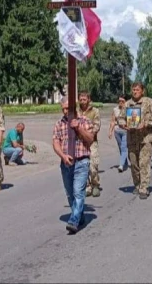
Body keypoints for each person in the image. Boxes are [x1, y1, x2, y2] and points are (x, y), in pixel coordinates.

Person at [53, 97, 94, 234]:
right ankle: (80, 216)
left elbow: (90, 139)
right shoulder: (59, 124)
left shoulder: (85, 121)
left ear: (74, 108)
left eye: (68, 108)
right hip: (66, 163)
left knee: (78, 192)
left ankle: (74, 220)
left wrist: (78, 128)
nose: (66, 111)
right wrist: (63, 156)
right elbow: (55, 143)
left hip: (81, 162)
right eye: (63, 108)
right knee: (70, 195)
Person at [118, 82, 152, 199]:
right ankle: (137, 184)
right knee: (134, 164)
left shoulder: (149, 102)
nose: (135, 92)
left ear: (142, 91)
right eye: (133, 90)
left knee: (144, 163)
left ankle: (144, 188)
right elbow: (120, 118)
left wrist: (145, 124)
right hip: (131, 138)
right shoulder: (127, 104)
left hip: (145, 138)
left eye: (137, 90)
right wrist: (124, 125)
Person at [78, 91, 101, 198]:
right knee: (83, 165)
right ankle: (87, 186)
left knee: (93, 165)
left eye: (84, 99)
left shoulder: (94, 111)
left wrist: (89, 134)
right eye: (80, 99)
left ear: (88, 99)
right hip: (80, 143)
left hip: (92, 141)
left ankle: (95, 184)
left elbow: (97, 125)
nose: (82, 101)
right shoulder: (76, 111)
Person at [109, 95, 128, 172]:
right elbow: (113, 121)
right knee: (121, 148)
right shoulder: (115, 109)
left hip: (125, 131)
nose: (120, 103)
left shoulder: (128, 109)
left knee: (123, 147)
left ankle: (121, 165)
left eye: (122, 101)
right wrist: (110, 131)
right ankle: (125, 162)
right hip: (117, 131)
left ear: (125, 102)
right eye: (119, 101)